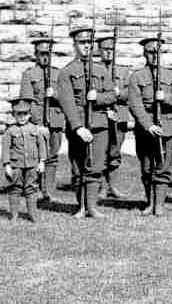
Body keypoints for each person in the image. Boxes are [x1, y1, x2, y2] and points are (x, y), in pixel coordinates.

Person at [56, 27, 116, 218]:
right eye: (82, 42)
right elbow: (67, 101)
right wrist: (78, 126)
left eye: (89, 42)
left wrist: (97, 97)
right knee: (78, 168)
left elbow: (112, 95)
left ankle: (91, 207)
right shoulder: (66, 72)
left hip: (99, 126)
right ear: (74, 45)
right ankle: (80, 206)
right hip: (79, 127)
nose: (86, 46)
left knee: (96, 167)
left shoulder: (101, 70)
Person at [127, 37, 172, 217]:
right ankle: (149, 202)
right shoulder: (137, 76)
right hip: (145, 130)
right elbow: (135, 104)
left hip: (167, 126)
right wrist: (148, 125)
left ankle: (159, 204)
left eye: (158, 52)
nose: (155, 56)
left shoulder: (170, 75)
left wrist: (165, 97)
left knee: (163, 167)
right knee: (147, 168)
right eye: (151, 52)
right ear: (145, 54)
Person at [19, 38, 64, 203]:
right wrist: (38, 124)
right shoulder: (29, 74)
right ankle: (34, 189)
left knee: (53, 156)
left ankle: (49, 191)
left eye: (48, 54)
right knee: (36, 156)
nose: (45, 57)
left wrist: (55, 95)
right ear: (35, 54)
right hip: (38, 123)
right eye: (42, 54)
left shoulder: (59, 73)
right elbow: (26, 101)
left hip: (56, 121)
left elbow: (68, 98)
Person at [2, 97, 46, 222]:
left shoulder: (35, 129)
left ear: (30, 114)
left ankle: (33, 214)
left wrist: (42, 161)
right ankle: (14, 215)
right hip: (16, 165)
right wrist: (7, 165)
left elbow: (41, 146)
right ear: (14, 115)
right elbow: (5, 149)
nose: (22, 117)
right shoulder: (10, 131)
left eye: (25, 114)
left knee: (31, 188)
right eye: (19, 114)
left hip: (32, 165)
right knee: (15, 188)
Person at [96, 34, 129, 198]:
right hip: (102, 116)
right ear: (99, 50)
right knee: (101, 153)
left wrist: (119, 92)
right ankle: (102, 186)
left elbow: (131, 93)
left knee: (115, 153)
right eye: (105, 49)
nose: (109, 53)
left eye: (112, 49)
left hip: (120, 117)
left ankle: (113, 186)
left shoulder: (123, 70)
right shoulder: (95, 70)